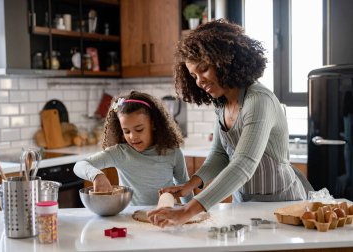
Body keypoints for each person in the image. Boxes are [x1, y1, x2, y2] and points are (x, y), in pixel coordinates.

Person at [148, 19, 313, 227]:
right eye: (193, 75)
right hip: (244, 205)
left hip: (282, 206)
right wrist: (191, 185)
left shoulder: (259, 100)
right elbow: (219, 155)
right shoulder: (222, 103)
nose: (199, 81)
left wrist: (188, 211)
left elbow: (243, 164)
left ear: (226, 61)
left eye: (204, 69)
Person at [73, 91, 193, 206]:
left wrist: (191, 214)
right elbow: (80, 165)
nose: (132, 136)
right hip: (131, 218)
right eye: (126, 131)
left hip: (166, 215)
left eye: (139, 129)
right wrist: (97, 175)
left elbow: (185, 188)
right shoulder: (119, 152)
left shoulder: (173, 153)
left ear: (153, 124)